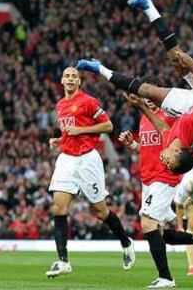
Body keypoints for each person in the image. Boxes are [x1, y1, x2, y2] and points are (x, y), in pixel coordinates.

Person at [119, 86, 193, 288]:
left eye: (149, 95)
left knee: (148, 224)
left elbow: (177, 145)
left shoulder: (171, 116)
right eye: (143, 97)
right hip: (147, 179)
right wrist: (134, 145)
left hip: (163, 178)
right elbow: (151, 148)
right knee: (161, 234)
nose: (147, 100)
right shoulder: (144, 118)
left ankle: (166, 278)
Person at [77, 51, 193, 175]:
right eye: (170, 162)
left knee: (147, 93)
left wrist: (142, 107)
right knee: (169, 74)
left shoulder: (171, 144)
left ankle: (100, 69)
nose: (165, 162)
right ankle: (99, 68)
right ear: (177, 152)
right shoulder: (191, 123)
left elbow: (163, 128)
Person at [45, 67, 135, 278]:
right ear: (62, 80)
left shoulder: (88, 101)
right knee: (59, 207)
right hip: (67, 158)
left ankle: (125, 241)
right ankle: (63, 261)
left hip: (88, 160)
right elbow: (69, 132)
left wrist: (81, 131)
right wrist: (60, 140)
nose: (69, 79)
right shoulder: (60, 105)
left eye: (74, 76)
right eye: (66, 76)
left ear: (79, 81)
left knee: (100, 212)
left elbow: (108, 125)